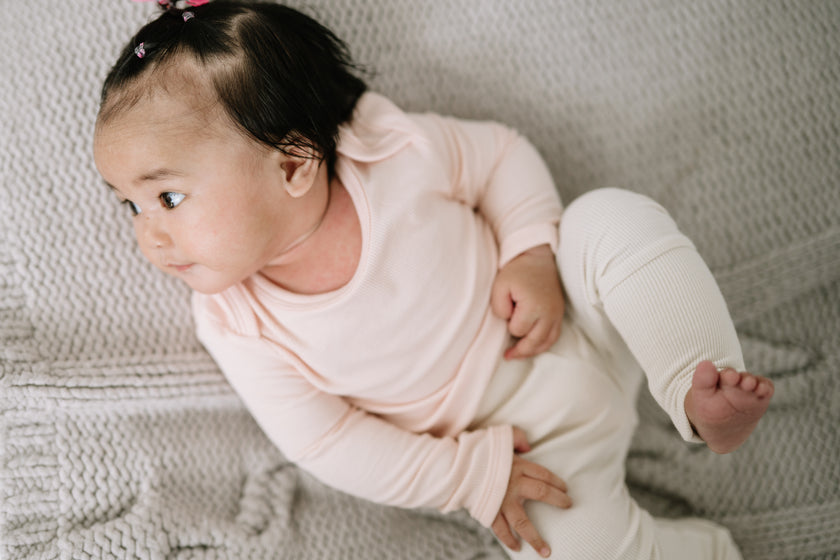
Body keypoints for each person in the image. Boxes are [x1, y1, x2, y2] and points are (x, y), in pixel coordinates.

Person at [93, 1, 774, 558]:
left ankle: (695, 384)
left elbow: (499, 156)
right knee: (567, 550)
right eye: (128, 205)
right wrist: (471, 477)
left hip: (581, 313)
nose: (146, 236)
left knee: (615, 221)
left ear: (295, 164)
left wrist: (531, 250)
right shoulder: (238, 322)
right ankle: (701, 551)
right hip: (523, 450)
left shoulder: (386, 149)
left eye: (168, 199)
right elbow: (328, 442)